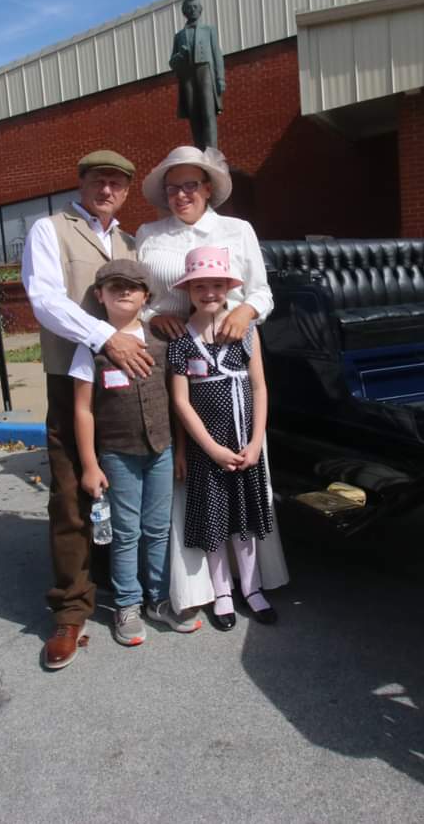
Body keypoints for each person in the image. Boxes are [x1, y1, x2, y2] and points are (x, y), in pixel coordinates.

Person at [136, 144, 285, 616]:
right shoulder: (148, 233)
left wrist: (244, 309)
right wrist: (154, 316)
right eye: (172, 186)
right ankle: (204, 588)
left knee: (241, 479)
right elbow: (139, 297)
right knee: (195, 478)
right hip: (178, 352)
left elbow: (260, 291)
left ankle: (253, 581)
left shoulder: (237, 230)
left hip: (233, 345)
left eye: (190, 185)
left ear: (207, 188)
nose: (181, 194)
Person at [21, 150, 155, 671]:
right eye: (98, 180)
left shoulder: (130, 240)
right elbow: (44, 299)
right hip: (72, 376)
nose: (107, 190)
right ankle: (71, 610)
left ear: (126, 190)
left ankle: (125, 588)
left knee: (125, 480)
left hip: (131, 380)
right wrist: (106, 338)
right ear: (80, 183)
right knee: (73, 489)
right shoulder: (50, 229)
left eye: (117, 183)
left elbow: (145, 300)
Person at [70, 259, 202, 646]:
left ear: (146, 295)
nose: (123, 292)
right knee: (126, 533)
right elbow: (83, 409)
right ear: (100, 295)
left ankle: (158, 599)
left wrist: (177, 449)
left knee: (157, 529)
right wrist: (90, 464)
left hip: (162, 450)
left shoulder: (162, 343)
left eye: (132, 286)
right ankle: (127, 603)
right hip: (117, 454)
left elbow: (177, 400)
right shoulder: (91, 347)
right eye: (114, 286)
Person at [167, 246, 283, 630]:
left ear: (228, 288)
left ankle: (251, 588)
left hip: (245, 446)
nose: (210, 292)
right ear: (189, 290)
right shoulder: (182, 343)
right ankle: (222, 593)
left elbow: (261, 388)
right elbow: (181, 402)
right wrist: (210, 449)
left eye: (218, 285)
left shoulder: (246, 331)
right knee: (216, 525)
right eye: (201, 286)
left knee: (245, 521)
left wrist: (254, 443)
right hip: (209, 451)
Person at [169, 0, 225, 150]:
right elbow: (172, 63)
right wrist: (180, 56)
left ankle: (212, 152)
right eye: (189, 8)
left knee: (208, 114)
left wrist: (221, 79)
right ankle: (200, 151)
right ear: (184, 12)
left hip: (205, 71)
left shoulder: (209, 30)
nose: (192, 10)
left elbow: (217, 55)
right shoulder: (179, 36)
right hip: (187, 76)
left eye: (195, 7)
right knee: (194, 116)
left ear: (200, 10)